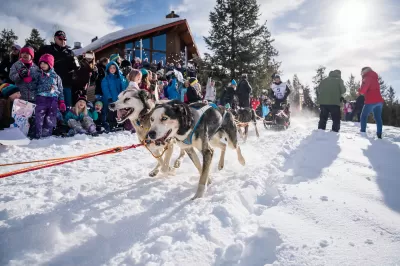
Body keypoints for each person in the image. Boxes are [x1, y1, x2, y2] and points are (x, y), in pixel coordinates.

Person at [36, 31, 80, 108]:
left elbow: (77, 67)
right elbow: (36, 61)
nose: (63, 41)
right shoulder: (46, 49)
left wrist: (75, 63)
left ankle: (66, 119)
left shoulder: (70, 53)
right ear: (55, 38)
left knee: (67, 107)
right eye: (60, 39)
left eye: (65, 39)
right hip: (48, 84)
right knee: (49, 107)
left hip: (65, 84)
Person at [35, 54, 65, 138]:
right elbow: (33, 86)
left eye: (45, 63)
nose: (42, 65)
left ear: (50, 64)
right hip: (41, 99)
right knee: (39, 117)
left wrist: (61, 101)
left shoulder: (56, 77)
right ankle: (38, 134)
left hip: (53, 99)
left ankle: (47, 135)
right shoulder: (38, 75)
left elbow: (60, 89)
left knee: (50, 117)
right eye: (41, 63)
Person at [358, 67, 384, 139]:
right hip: (379, 101)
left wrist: (359, 90)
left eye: (362, 71)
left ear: (364, 71)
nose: (361, 73)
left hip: (371, 101)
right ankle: (379, 134)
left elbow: (363, 91)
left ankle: (363, 132)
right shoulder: (375, 78)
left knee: (363, 116)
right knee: (378, 118)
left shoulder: (367, 77)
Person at [101, 61, 127, 126]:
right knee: (110, 113)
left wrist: (122, 79)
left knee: (119, 112)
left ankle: (119, 123)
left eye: (114, 68)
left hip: (118, 99)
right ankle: (110, 124)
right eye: (111, 68)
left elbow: (123, 87)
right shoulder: (106, 79)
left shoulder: (119, 78)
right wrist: (109, 97)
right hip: (110, 99)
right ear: (108, 69)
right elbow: (105, 89)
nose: (112, 70)